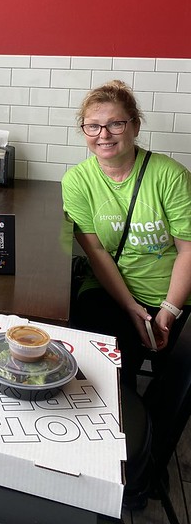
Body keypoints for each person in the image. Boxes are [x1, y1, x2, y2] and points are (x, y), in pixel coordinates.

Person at [62, 80, 191, 387]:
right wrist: (131, 306)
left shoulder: (170, 175)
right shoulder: (76, 181)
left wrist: (169, 310)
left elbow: (188, 250)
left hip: (173, 294)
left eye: (115, 124)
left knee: (176, 383)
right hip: (112, 289)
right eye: (93, 126)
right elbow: (96, 252)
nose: (103, 135)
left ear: (135, 126)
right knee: (110, 370)